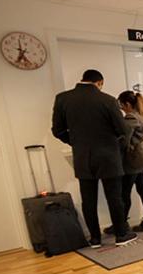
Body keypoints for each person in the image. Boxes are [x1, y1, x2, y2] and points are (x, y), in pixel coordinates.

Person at [51, 69, 137, 247]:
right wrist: (116, 145)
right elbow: (122, 129)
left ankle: (95, 239)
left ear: (82, 79)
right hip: (108, 156)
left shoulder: (63, 98)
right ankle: (121, 235)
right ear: (99, 82)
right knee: (114, 197)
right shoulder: (107, 100)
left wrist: (75, 142)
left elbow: (57, 130)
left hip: (82, 156)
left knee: (88, 200)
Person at [112, 90, 143, 232]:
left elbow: (124, 140)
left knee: (124, 193)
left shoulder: (131, 118)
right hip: (141, 161)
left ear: (127, 104)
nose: (120, 108)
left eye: (121, 105)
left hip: (133, 162)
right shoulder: (142, 116)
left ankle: (121, 225)